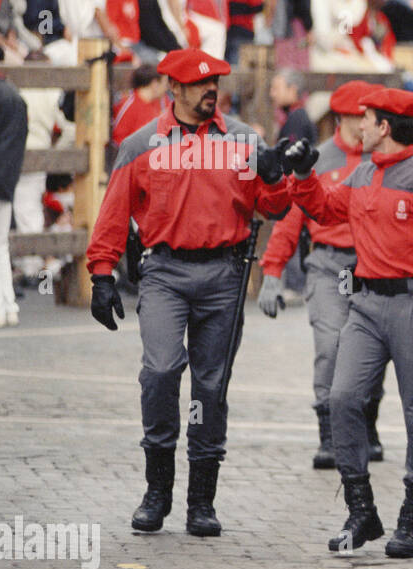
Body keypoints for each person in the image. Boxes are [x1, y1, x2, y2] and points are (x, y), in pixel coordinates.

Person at [85, 48, 294, 537]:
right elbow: (115, 210)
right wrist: (101, 273)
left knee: (209, 388)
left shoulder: (244, 140)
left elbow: (276, 206)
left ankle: (201, 501)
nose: (209, 92)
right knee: (159, 372)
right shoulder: (142, 144)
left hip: (224, 275)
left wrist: (274, 173)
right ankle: (157, 491)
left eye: (215, 84)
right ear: (172, 89)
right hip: (165, 274)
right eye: (199, 86)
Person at [285, 88, 413, 559]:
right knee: (342, 398)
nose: (357, 127)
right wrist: (302, 174)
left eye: (365, 120)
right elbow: (323, 208)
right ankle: (362, 510)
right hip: (364, 304)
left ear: (384, 127)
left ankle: (412, 519)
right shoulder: (364, 172)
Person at [257, 80, 386, 469]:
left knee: (373, 351)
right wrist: (273, 271)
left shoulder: (382, 161)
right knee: (331, 345)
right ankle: (329, 432)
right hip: (329, 266)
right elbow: (290, 218)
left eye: (370, 117)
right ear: (341, 118)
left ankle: (367, 423)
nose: (365, 125)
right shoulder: (319, 159)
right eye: (359, 117)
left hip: (371, 266)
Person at [0, 74, 29, 328]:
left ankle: (2, 306)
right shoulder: (15, 96)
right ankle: (7, 306)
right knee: (0, 245)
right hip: (7, 177)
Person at [111, 63, 167, 146]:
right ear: (155, 84)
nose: (166, 88)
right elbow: (118, 140)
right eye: (164, 84)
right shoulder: (129, 105)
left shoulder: (161, 101)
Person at [270, 70, 317, 145]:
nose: (272, 94)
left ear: (292, 90)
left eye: (276, 89)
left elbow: (287, 154)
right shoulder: (295, 115)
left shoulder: (296, 120)